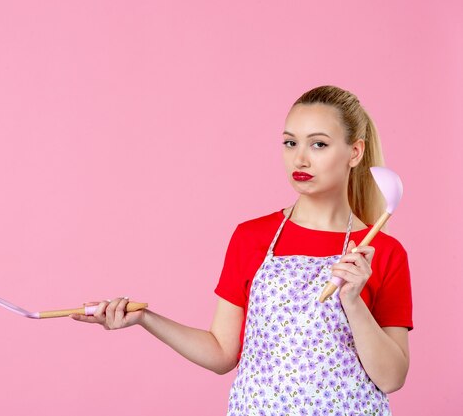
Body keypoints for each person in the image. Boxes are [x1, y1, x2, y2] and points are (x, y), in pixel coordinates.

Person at [70, 85, 413, 416]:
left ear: (355, 152)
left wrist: (352, 301)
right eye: (290, 143)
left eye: (319, 144)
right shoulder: (251, 237)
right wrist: (144, 318)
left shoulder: (381, 251)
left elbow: (392, 377)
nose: (300, 158)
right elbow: (222, 352)